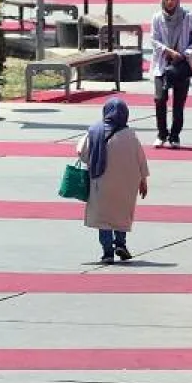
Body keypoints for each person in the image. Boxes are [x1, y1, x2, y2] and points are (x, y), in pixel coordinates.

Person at [78, 96, 150, 264]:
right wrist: (143, 181)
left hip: (100, 182)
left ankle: (107, 252)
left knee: (103, 217)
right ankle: (121, 244)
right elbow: (141, 159)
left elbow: (82, 153)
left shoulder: (94, 131)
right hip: (126, 184)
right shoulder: (131, 135)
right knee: (120, 213)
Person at [150, 0, 192, 148]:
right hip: (162, 65)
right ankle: (162, 134)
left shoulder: (187, 16)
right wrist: (168, 51)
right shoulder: (156, 18)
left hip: (181, 65)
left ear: (178, 0)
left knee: (178, 103)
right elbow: (153, 40)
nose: (170, 2)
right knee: (160, 98)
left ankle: (174, 136)